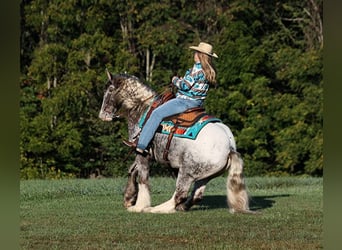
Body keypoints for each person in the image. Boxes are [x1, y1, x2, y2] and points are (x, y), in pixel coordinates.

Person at [124, 42, 218, 154]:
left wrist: (175, 80)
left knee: (156, 113)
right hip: (197, 103)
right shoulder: (208, 71)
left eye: (196, 52)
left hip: (184, 101)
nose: (194, 54)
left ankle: (141, 144)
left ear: (200, 55)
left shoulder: (196, 69)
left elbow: (185, 86)